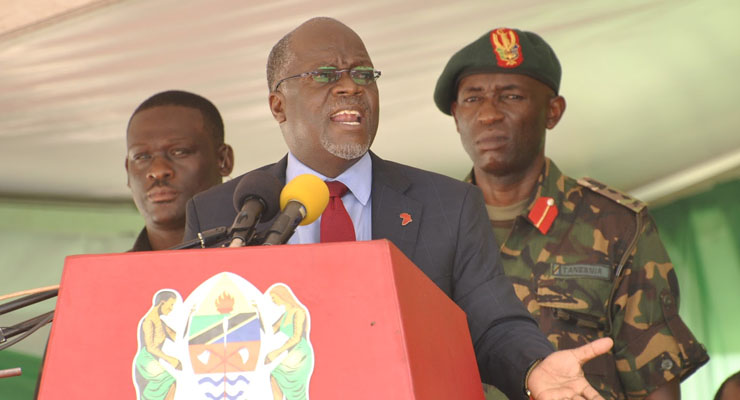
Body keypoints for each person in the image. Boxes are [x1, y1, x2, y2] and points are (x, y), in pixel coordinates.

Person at [184, 17, 613, 400]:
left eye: (363, 74)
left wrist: (534, 368)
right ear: (278, 104)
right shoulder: (222, 211)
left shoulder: (449, 205)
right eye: (326, 75)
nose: (351, 87)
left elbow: (494, 324)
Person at [433, 27, 709, 399]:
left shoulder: (616, 226)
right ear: (456, 115)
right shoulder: (427, 225)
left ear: (553, 111)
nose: (488, 115)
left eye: (511, 96)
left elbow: (655, 384)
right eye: (472, 99)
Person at [125, 90, 234, 251]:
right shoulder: (109, 268)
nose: (158, 171)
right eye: (142, 157)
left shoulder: (267, 257)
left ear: (223, 160)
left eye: (179, 152)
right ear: (128, 171)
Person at [265, 284, 313, 400]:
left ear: (282, 296)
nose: (273, 301)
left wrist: (276, 353)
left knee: (277, 377)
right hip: (292, 353)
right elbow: (269, 330)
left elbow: (296, 338)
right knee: (275, 378)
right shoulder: (285, 315)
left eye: (273, 297)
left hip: (301, 353)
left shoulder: (299, 312)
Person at [133, 290, 181, 400]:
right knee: (170, 381)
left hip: (153, 362)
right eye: (171, 304)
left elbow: (178, 337)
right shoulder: (148, 321)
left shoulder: (161, 324)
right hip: (145, 361)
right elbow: (150, 347)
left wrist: (190, 318)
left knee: (170, 384)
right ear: (162, 303)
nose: (171, 308)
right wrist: (171, 360)